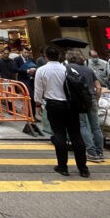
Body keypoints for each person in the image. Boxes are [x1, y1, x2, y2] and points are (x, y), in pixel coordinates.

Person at [34, 46, 89, 177]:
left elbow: (38, 90)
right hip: (71, 105)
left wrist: (37, 104)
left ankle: (63, 166)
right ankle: (83, 168)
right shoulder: (67, 69)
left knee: (59, 135)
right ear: (59, 56)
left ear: (45, 56)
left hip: (53, 105)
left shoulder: (41, 70)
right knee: (76, 135)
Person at [68, 54, 104, 163]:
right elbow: (98, 87)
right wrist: (96, 100)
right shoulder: (89, 70)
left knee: (83, 125)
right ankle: (100, 152)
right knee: (96, 127)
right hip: (92, 98)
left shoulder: (69, 69)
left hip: (80, 100)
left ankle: (91, 152)